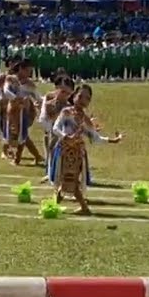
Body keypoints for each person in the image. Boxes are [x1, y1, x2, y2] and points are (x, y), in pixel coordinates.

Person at [48, 84, 122, 215]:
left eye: (87, 98)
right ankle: (68, 205)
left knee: (71, 179)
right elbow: (56, 128)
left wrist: (113, 140)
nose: (83, 100)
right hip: (63, 151)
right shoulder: (66, 112)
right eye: (80, 96)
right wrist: (66, 137)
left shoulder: (85, 120)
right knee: (65, 179)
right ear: (74, 96)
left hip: (77, 154)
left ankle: (73, 207)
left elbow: (95, 138)